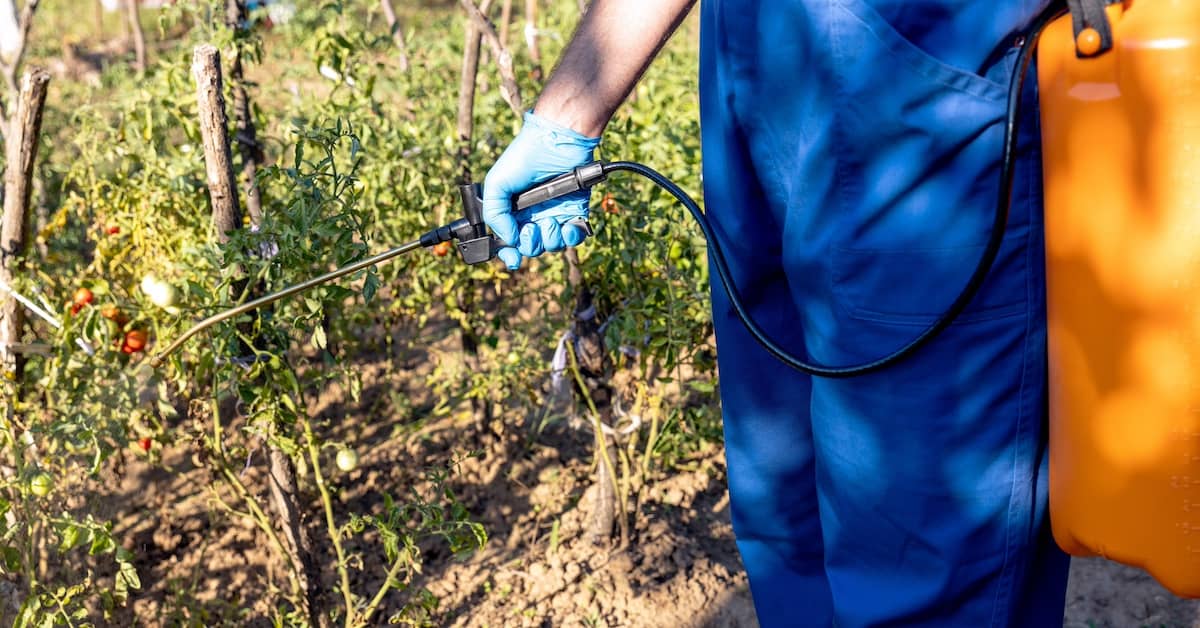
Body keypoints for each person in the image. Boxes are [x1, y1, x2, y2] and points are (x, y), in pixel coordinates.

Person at [482, 1, 1071, 625]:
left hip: (924, 62)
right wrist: (566, 117)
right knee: (784, 507)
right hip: (762, 49)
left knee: (926, 539)